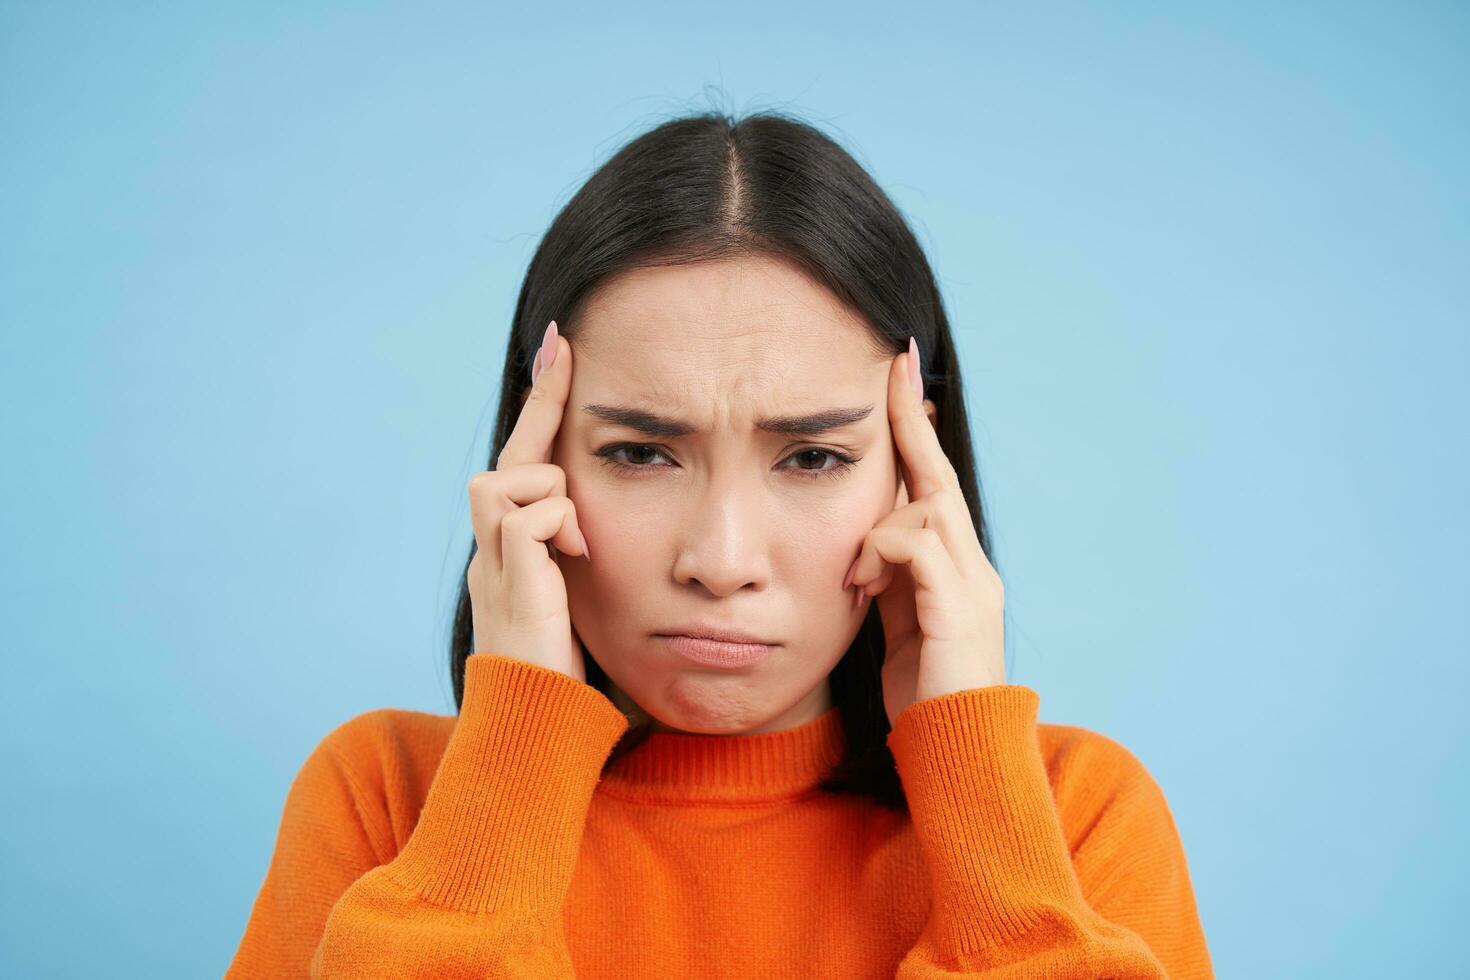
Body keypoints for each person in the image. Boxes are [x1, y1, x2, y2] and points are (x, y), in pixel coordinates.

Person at [225, 111, 1214, 978]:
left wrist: (977, 793)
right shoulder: (385, 799)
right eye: (642, 451)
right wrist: (517, 746)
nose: (722, 556)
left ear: (917, 473)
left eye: (815, 457)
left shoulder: (1074, 820)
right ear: (534, 463)